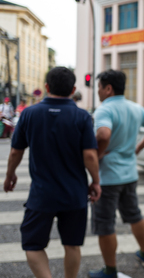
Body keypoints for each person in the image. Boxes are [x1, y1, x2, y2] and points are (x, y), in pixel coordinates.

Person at [3, 67, 101, 278]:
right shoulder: (82, 116)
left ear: (47, 87)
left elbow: (15, 152)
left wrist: (10, 175)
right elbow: (91, 157)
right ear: (73, 89)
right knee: (72, 245)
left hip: (41, 195)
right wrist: (96, 182)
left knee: (32, 245)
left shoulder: (30, 113)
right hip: (75, 194)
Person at [89, 69, 144, 278]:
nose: (98, 92)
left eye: (99, 88)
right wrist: (137, 148)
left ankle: (110, 271)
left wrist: (99, 154)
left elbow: (103, 134)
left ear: (108, 88)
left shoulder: (104, 109)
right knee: (134, 216)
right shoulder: (135, 108)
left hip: (108, 178)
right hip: (130, 174)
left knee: (105, 224)